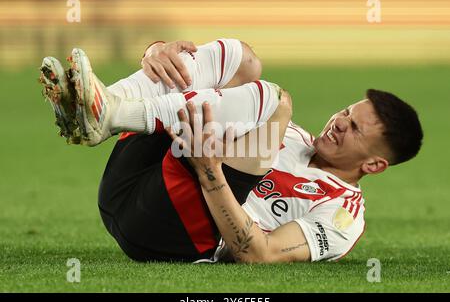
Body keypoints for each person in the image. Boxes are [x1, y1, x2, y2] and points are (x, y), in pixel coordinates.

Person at [38, 39, 423, 263]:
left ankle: (112, 112)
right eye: (345, 112)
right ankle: (110, 104)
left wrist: (211, 172)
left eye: (354, 128)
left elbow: (260, 253)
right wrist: (157, 52)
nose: (339, 122)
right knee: (242, 58)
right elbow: (199, 97)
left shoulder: (343, 214)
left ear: (374, 164)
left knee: (275, 99)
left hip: (167, 231)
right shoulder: (291, 135)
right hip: (127, 185)